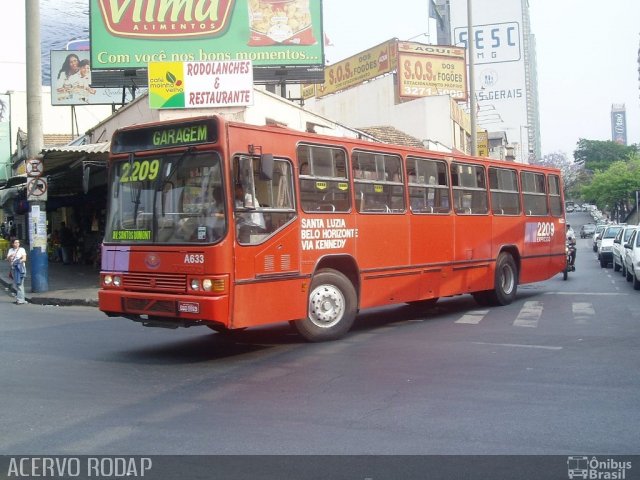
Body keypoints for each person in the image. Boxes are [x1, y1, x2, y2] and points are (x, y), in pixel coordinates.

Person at [6, 238, 27, 304]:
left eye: (18, 242)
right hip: (14, 269)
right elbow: (8, 259)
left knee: (20, 284)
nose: (17, 243)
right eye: (15, 242)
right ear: (12, 244)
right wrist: (10, 256)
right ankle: (20, 299)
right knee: (17, 285)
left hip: (20, 269)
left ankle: (20, 300)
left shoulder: (22, 249)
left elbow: (24, 258)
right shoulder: (10, 250)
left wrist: (17, 261)